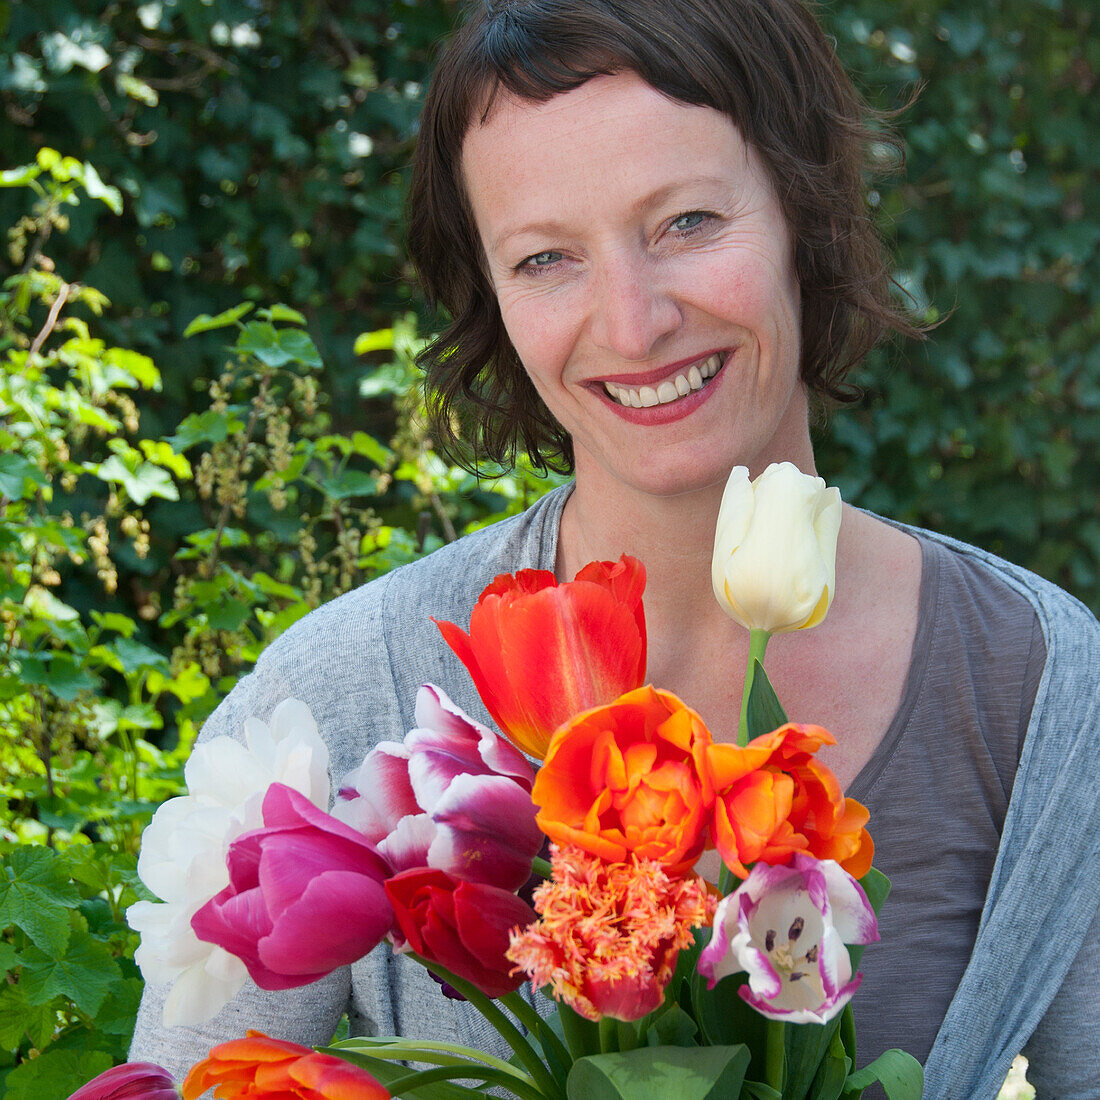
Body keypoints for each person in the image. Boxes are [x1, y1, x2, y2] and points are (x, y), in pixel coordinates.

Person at [128, 1, 1100, 1096]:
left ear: (803, 210)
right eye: (545, 257)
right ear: (492, 299)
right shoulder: (343, 703)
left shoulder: (1038, 691)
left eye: (684, 223)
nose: (632, 325)